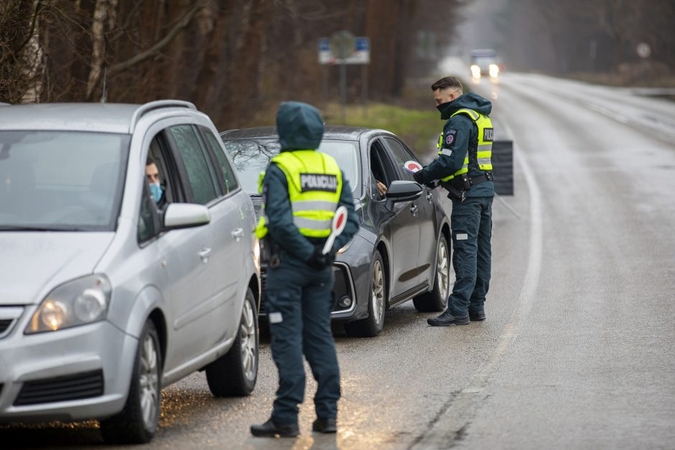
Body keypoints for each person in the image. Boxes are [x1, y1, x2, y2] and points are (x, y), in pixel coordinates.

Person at [250, 101, 359, 438]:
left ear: (284, 131)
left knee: (286, 340)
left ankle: (285, 416)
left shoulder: (280, 168)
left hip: (289, 266)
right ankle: (328, 416)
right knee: (320, 339)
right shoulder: (331, 167)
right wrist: (326, 251)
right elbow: (351, 219)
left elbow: (280, 222)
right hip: (321, 269)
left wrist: (306, 253)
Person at [412, 76, 494, 326]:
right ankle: (476, 307)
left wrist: (422, 175)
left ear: (452, 96)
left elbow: (451, 161)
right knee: (481, 251)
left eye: (439, 100)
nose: (437, 105)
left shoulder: (459, 121)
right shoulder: (480, 117)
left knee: (465, 251)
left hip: (467, 197)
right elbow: (468, 160)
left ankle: (458, 308)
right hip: (484, 191)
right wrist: (440, 179)